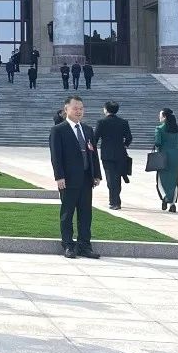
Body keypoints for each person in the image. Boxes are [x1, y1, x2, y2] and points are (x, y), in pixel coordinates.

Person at [49, 94, 102, 259]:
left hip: (86, 179)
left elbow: (93, 153)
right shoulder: (58, 130)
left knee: (86, 214)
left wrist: (96, 174)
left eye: (81, 108)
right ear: (66, 109)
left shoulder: (87, 129)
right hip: (68, 179)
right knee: (67, 213)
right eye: (75, 108)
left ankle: (85, 245)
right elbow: (56, 156)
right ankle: (68, 245)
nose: (79, 111)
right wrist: (59, 177)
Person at [93, 101, 132, 210]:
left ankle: (114, 202)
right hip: (120, 153)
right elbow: (129, 138)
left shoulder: (101, 122)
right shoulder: (123, 122)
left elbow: (95, 138)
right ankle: (115, 201)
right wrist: (124, 145)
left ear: (106, 109)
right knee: (117, 178)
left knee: (111, 178)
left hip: (107, 154)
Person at [154, 107, 178, 213]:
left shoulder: (159, 129)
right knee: (174, 180)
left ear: (164, 117)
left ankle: (165, 197)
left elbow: (157, 143)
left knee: (161, 179)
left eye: (160, 115)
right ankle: (172, 204)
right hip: (175, 156)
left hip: (163, 156)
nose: (159, 117)